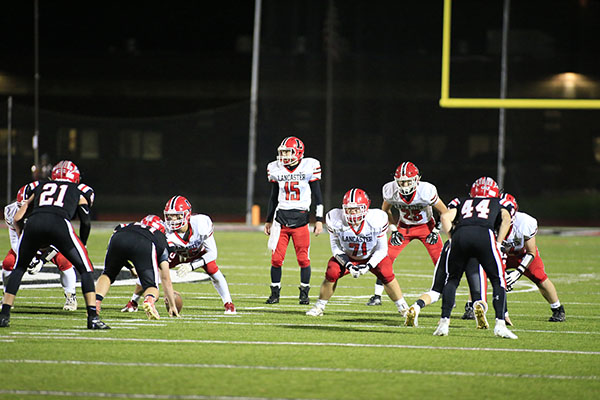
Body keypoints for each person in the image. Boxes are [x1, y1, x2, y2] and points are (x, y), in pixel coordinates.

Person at [0, 160, 109, 329]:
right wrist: (84, 244)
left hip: (34, 223)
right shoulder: (79, 189)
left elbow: (17, 218)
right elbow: (86, 222)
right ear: (76, 178)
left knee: (19, 268)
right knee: (86, 269)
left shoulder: (40, 186)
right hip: (59, 223)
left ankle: (4, 315)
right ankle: (92, 318)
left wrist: (23, 235)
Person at [123, 195, 236, 315]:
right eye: (170, 216)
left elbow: (213, 253)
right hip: (176, 253)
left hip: (197, 252)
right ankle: (133, 302)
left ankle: (228, 304)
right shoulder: (165, 232)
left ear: (187, 214)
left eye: (177, 215)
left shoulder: (201, 224)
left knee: (213, 269)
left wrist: (191, 266)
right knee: (152, 268)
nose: (173, 219)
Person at [434, 177, 516, 339]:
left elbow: (444, 217)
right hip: (484, 235)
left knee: (452, 280)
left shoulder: (462, 201)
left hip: (461, 236)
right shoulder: (499, 202)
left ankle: (444, 323)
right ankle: (500, 324)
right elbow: (506, 219)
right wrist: (499, 242)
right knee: (498, 280)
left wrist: (452, 237)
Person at [306, 189, 409, 317]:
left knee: (386, 271)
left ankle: (403, 308)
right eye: (349, 209)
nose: (352, 213)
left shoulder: (377, 219)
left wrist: (368, 265)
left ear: (366, 207)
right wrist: (348, 265)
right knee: (332, 270)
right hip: (348, 256)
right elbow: (336, 249)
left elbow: (382, 250)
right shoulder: (335, 218)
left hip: (372, 256)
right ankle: (319, 306)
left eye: (357, 209)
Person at [366, 161, 448, 306]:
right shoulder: (390, 189)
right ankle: (377, 295)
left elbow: (444, 212)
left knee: (440, 261)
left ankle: (446, 294)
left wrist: (436, 231)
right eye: (401, 182)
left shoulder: (426, 190)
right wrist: (393, 229)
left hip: (426, 227)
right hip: (404, 227)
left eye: (408, 182)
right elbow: (385, 211)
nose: (404, 186)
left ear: (417, 179)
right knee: (384, 258)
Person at [264, 136, 324, 305]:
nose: (284, 156)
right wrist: (268, 220)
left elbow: (318, 196)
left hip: (301, 220)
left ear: (298, 152)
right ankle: (274, 294)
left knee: (304, 259)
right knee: (276, 259)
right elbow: (273, 197)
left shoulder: (309, 166)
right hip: (280, 219)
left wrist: (319, 219)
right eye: (282, 152)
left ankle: (304, 294)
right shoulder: (276, 169)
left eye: (288, 152)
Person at [3, 184, 79, 311]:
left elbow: (59, 242)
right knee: (8, 263)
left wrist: (42, 260)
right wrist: (28, 257)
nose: (23, 210)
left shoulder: (51, 211)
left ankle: (71, 296)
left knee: (65, 261)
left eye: (27, 206)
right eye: (20, 206)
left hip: (49, 244)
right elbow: (15, 240)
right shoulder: (11, 211)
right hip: (27, 243)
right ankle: (7, 298)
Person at [95, 215, 180, 319]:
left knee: (107, 274)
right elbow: (165, 278)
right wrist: (172, 305)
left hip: (119, 237)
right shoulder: (161, 238)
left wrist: (130, 267)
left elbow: (117, 247)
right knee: (151, 286)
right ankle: (149, 300)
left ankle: (95, 302)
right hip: (144, 244)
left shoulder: (126, 226)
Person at [500, 193, 566, 322]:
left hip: (523, 254)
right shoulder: (490, 222)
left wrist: (517, 273)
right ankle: (472, 305)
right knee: (480, 271)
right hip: (501, 253)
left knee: (540, 277)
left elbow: (531, 252)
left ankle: (557, 308)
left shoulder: (525, 222)